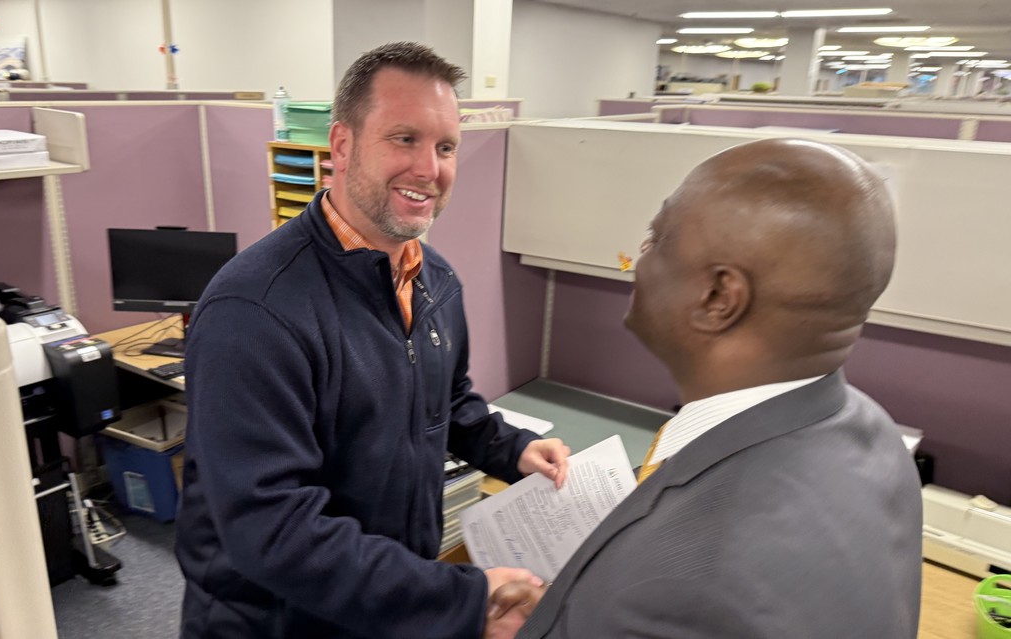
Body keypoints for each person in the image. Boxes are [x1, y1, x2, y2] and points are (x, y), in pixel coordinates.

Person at [176, 41, 569, 638]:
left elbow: (446, 402)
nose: (429, 169)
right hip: (277, 624)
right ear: (342, 145)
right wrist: (459, 601)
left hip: (383, 601)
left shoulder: (434, 280)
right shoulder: (255, 311)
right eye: (404, 139)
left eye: (445, 147)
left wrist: (511, 450)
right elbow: (272, 530)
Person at [493, 138, 923, 638]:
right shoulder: (875, 433)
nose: (636, 260)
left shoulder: (689, 582)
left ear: (718, 297)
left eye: (656, 238)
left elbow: (688, 597)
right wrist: (573, 613)